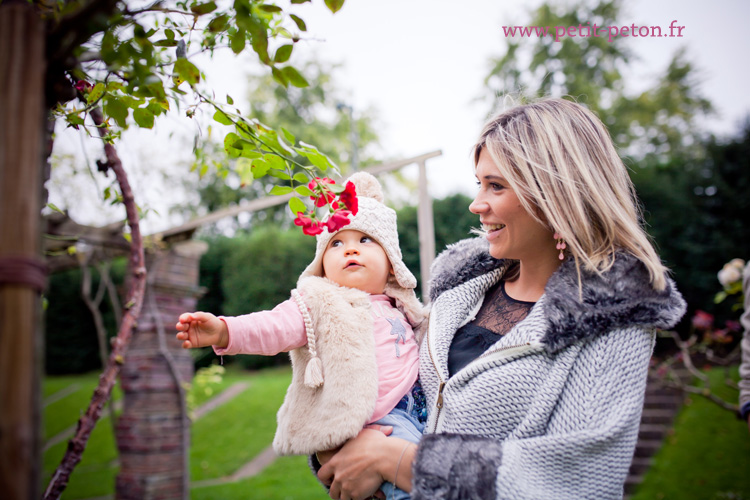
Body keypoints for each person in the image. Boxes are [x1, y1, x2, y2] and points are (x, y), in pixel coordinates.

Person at [314, 98, 687, 500]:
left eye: (496, 185)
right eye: (479, 183)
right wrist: (338, 448)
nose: (477, 204)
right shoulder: (456, 293)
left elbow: (580, 483)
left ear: (555, 194)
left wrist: (400, 462)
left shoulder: (612, 318)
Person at [175, 172, 426, 500]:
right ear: (322, 264)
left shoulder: (404, 305)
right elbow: (273, 326)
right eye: (337, 243)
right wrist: (225, 330)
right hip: (377, 423)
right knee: (414, 488)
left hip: (421, 409)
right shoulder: (318, 301)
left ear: (391, 263)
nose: (350, 250)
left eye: (364, 240)